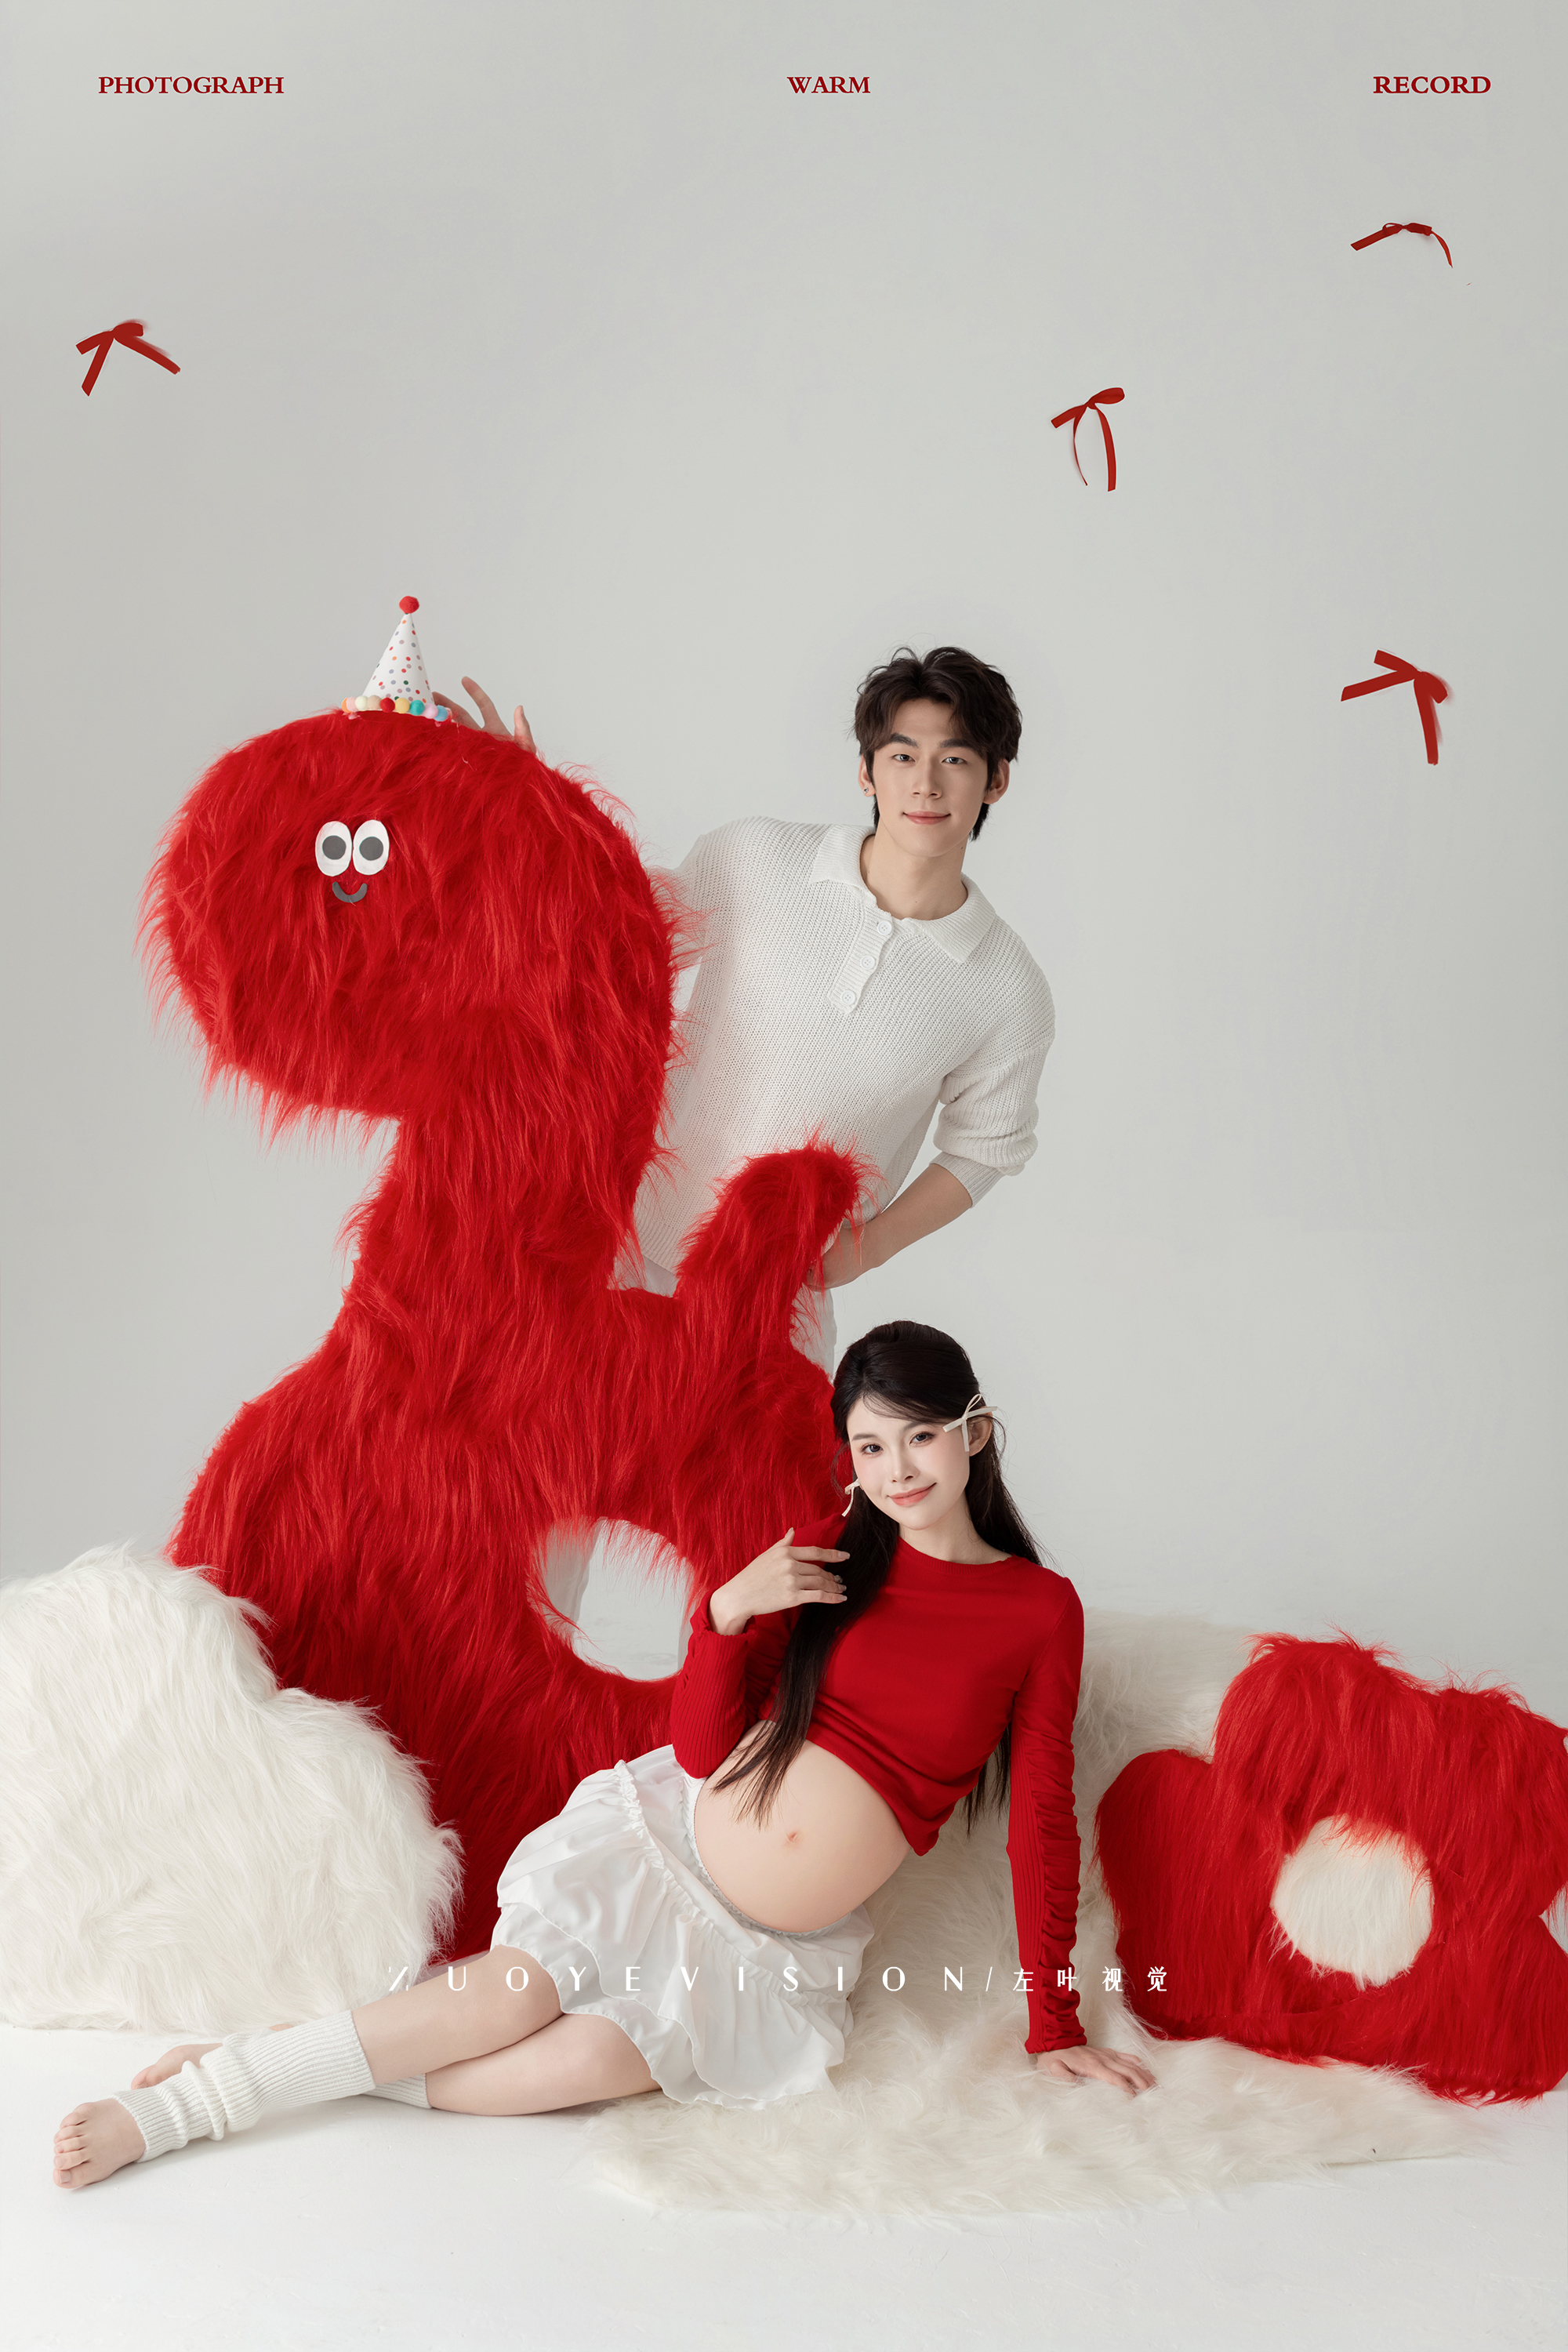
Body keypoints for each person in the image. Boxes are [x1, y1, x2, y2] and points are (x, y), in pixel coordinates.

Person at [52, 1323, 1154, 2189]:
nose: (897, 1469)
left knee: (580, 2069)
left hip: (766, 1948)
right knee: (501, 2007)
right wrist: (721, 1619)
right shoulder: (829, 1562)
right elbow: (703, 1750)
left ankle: (304, 2059)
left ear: (975, 1431)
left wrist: (1053, 2023)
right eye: (870, 1446)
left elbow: (1039, 1817)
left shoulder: (1037, 1610)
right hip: (663, 1854)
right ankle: (185, 2109)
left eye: (918, 1437)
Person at [441, 646, 1058, 1624]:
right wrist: (526, 800)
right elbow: (612, 921)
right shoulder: (757, 860)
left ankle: (741, 1730)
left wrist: (868, 1246)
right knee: (539, 1519)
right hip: (619, 1248)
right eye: (901, 756)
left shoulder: (1004, 987)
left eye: (954, 759)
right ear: (865, 772)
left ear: (995, 780)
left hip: (773, 1299)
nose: (925, 783)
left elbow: (985, 1147)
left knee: (769, 1565)